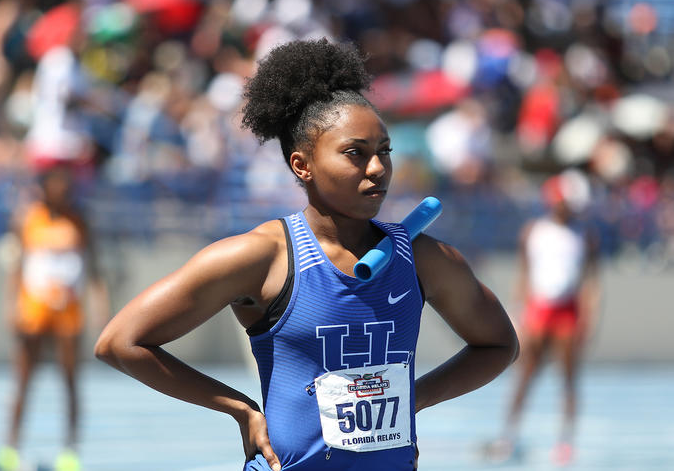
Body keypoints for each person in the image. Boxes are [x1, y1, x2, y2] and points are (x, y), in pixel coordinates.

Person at [95, 38, 518, 470]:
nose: (377, 168)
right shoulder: (261, 258)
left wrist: (417, 397)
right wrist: (239, 408)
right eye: (355, 153)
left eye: (384, 152)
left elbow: (499, 345)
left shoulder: (424, 259)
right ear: (302, 165)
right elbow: (120, 342)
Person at [484, 171, 599, 466]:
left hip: (567, 311)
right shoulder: (533, 231)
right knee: (525, 376)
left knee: (569, 379)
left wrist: (589, 318)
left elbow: (590, 281)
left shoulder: (585, 236)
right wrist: (518, 314)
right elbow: (525, 277)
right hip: (538, 309)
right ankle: (508, 435)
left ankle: (565, 441)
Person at [0, 166, 110, 471]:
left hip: (68, 312)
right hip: (33, 310)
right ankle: (10, 447)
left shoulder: (80, 221)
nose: (62, 192)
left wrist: (101, 305)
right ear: (44, 188)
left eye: (66, 186)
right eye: (56, 186)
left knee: (70, 381)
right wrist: (12, 306)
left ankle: (70, 450)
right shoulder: (28, 219)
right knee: (23, 380)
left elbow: (94, 267)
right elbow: (15, 265)